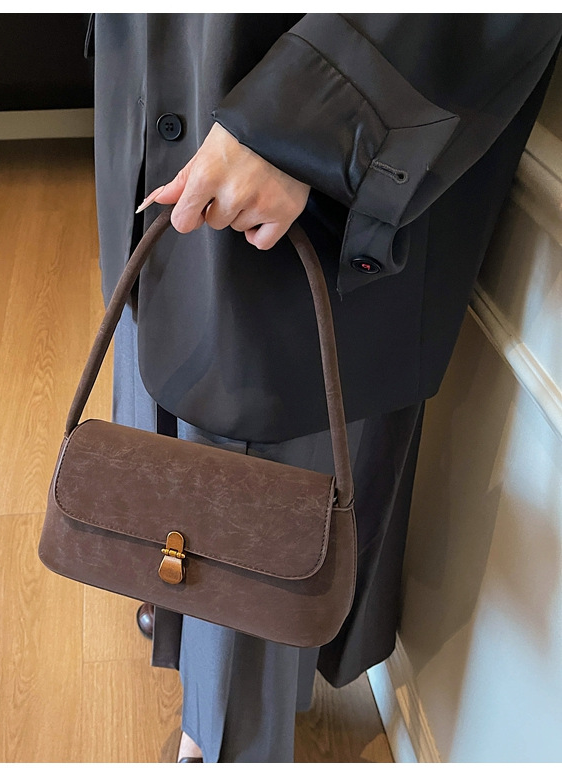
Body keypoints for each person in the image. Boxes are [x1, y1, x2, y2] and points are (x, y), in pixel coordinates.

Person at [87, 13, 562, 763]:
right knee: (172, 363)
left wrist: (308, 116)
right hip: (169, 62)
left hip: (290, 98)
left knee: (267, 444)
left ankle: (229, 736)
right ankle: (190, 639)